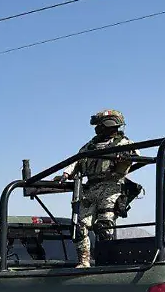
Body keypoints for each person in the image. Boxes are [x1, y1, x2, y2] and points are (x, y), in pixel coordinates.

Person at [57, 109, 134, 268]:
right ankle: (84, 261)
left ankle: (106, 261)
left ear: (109, 125)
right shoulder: (90, 146)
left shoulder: (124, 143)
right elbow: (76, 161)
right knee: (79, 226)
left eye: (99, 125)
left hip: (111, 187)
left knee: (105, 226)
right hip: (91, 188)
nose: (97, 129)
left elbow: (133, 155)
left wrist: (124, 159)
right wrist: (66, 174)